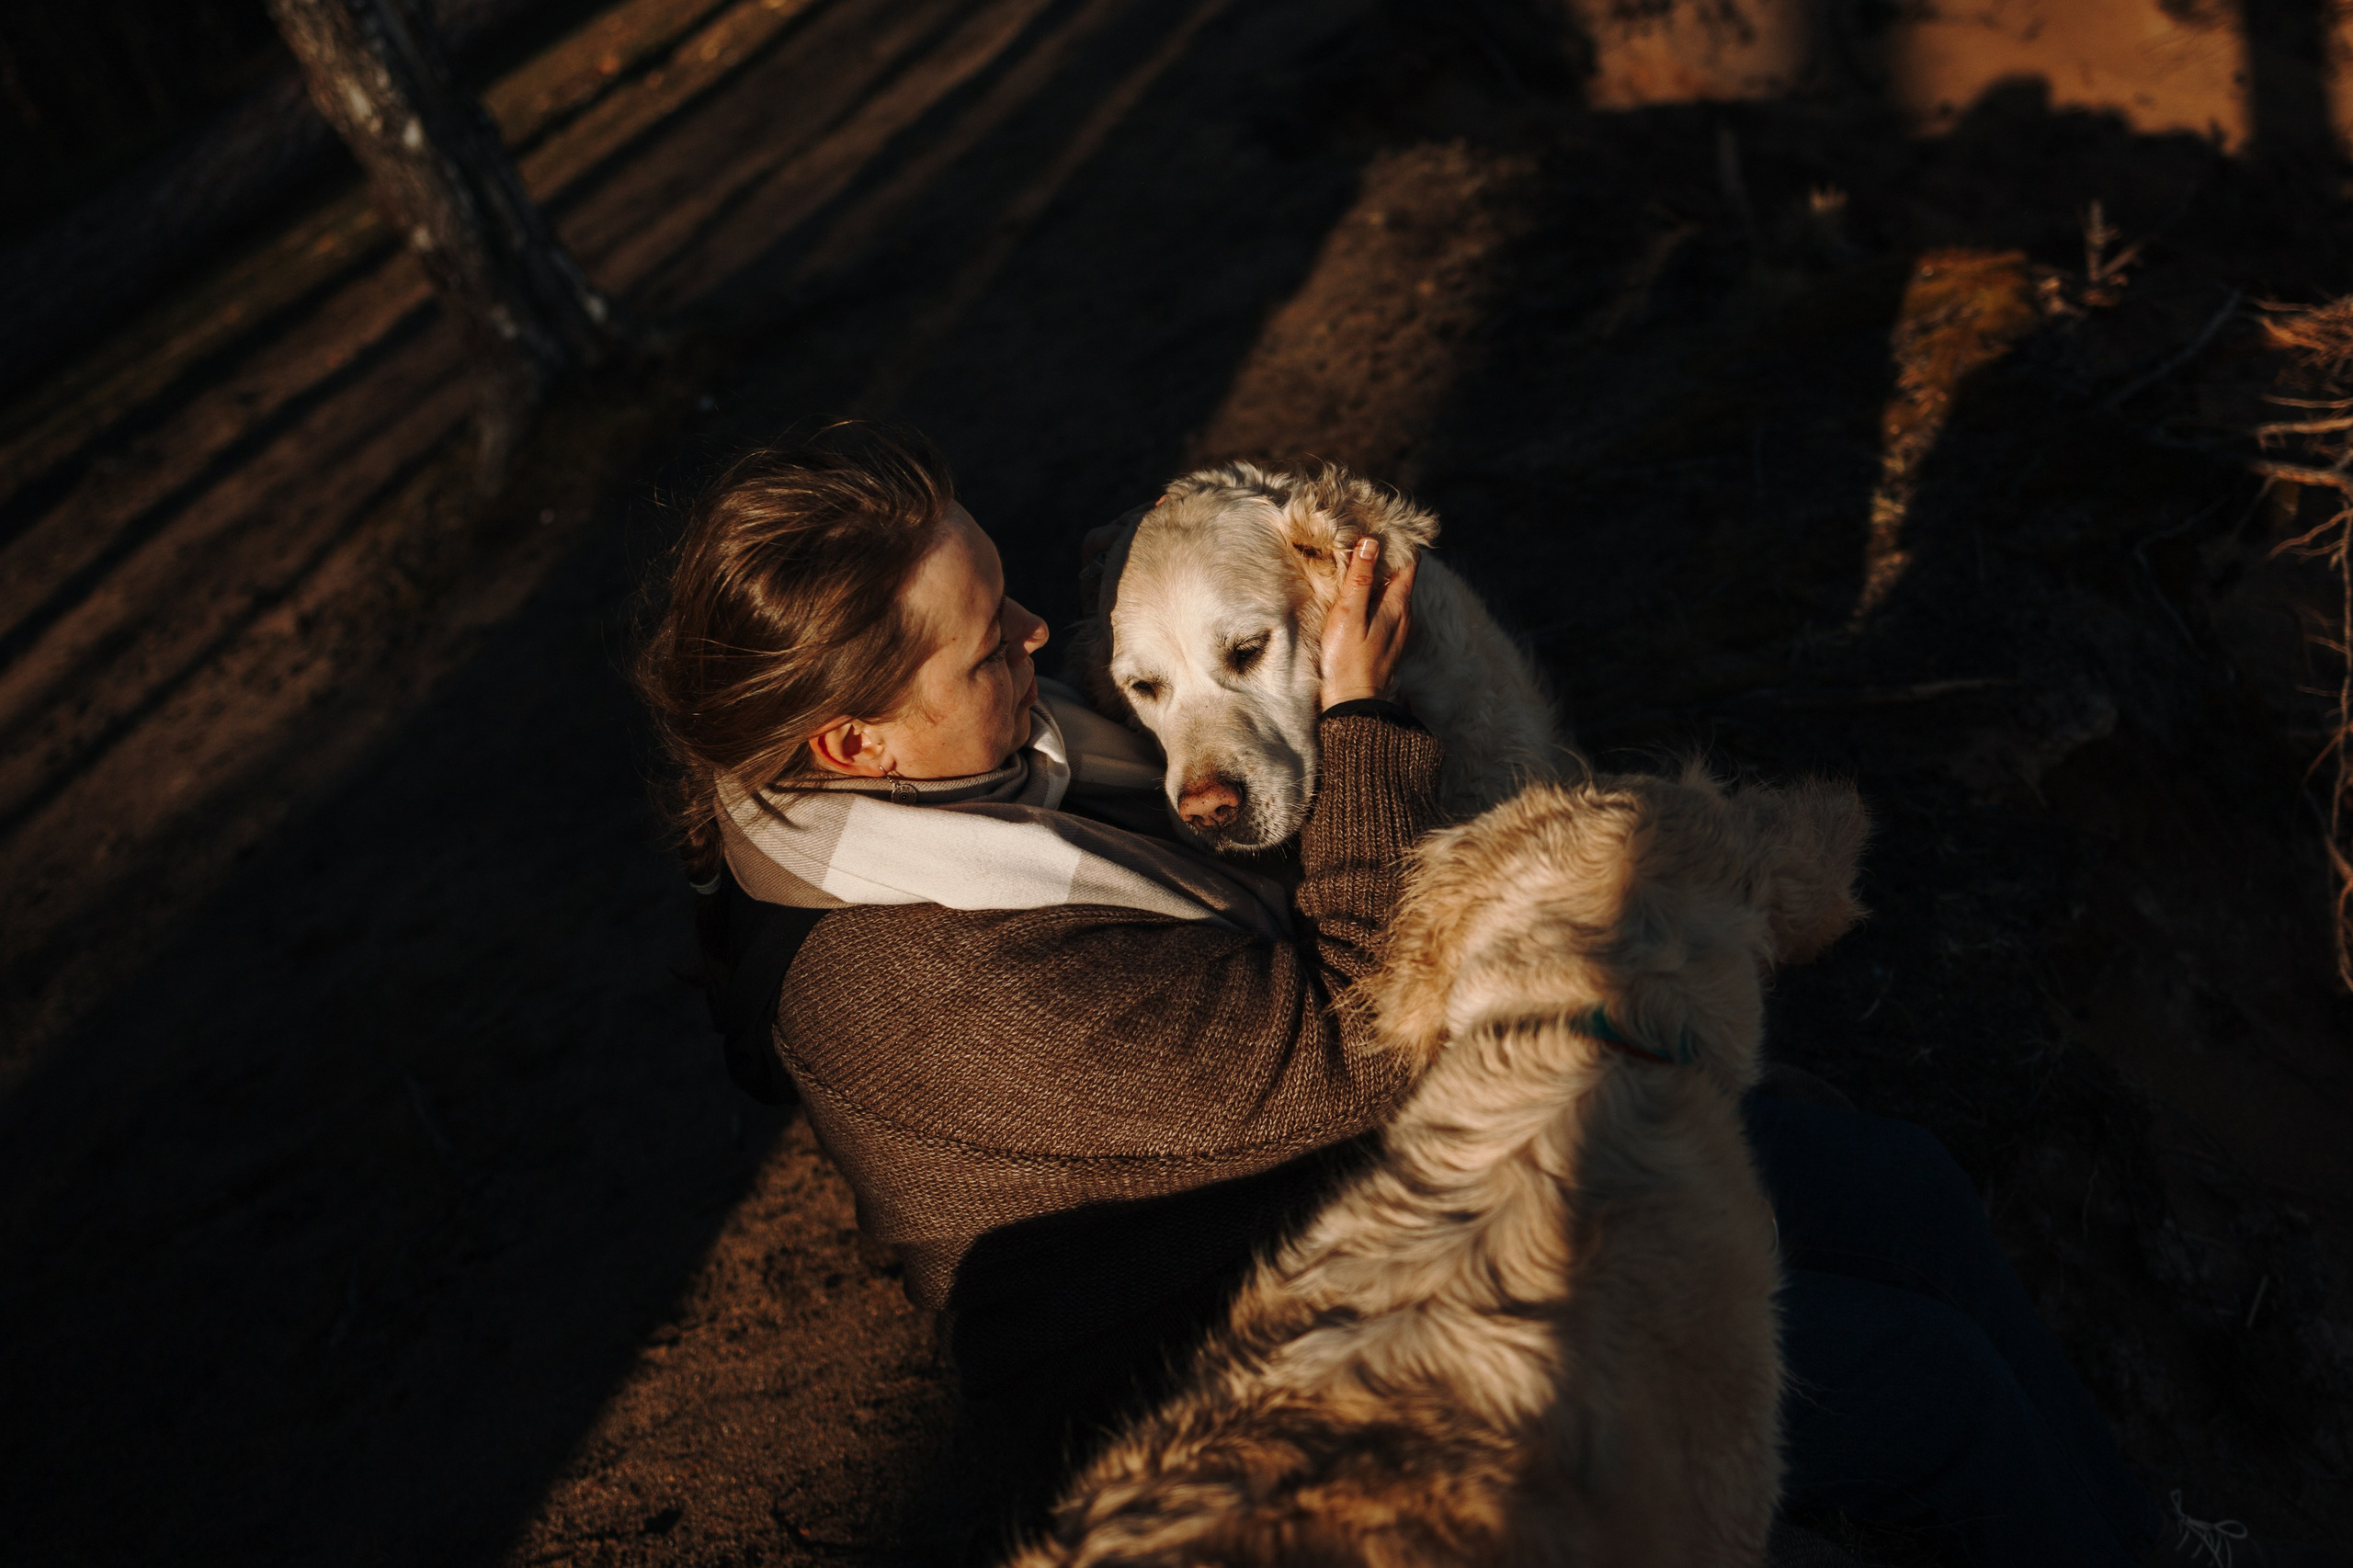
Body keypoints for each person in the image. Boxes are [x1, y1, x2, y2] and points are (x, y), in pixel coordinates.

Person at [635, 422, 2337, 1568]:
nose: (1036, 632)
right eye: (983, 635)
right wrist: (1363, 722)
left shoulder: (970, 770)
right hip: (1257, 1350)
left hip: (1343, 1194)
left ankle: (2137, 1535)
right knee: (1921, 1388)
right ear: (852, 742)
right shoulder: (908, 988)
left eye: (1008, 586)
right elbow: (1343, 1041)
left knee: (1892, 1182)